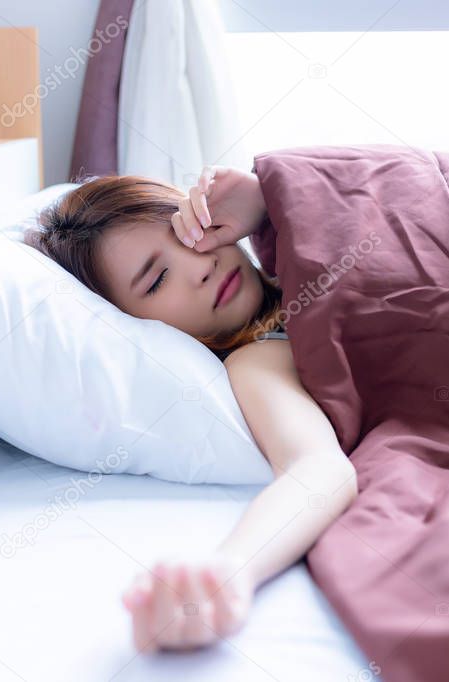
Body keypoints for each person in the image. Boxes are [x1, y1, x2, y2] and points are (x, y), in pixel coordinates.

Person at [26, 166, 357, 653]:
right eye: (158, 279)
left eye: (191, 232)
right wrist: (230, 570)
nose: (200, 265)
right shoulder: (258, 359)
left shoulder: (290, 252)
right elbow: (318, 468)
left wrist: (273, 198)